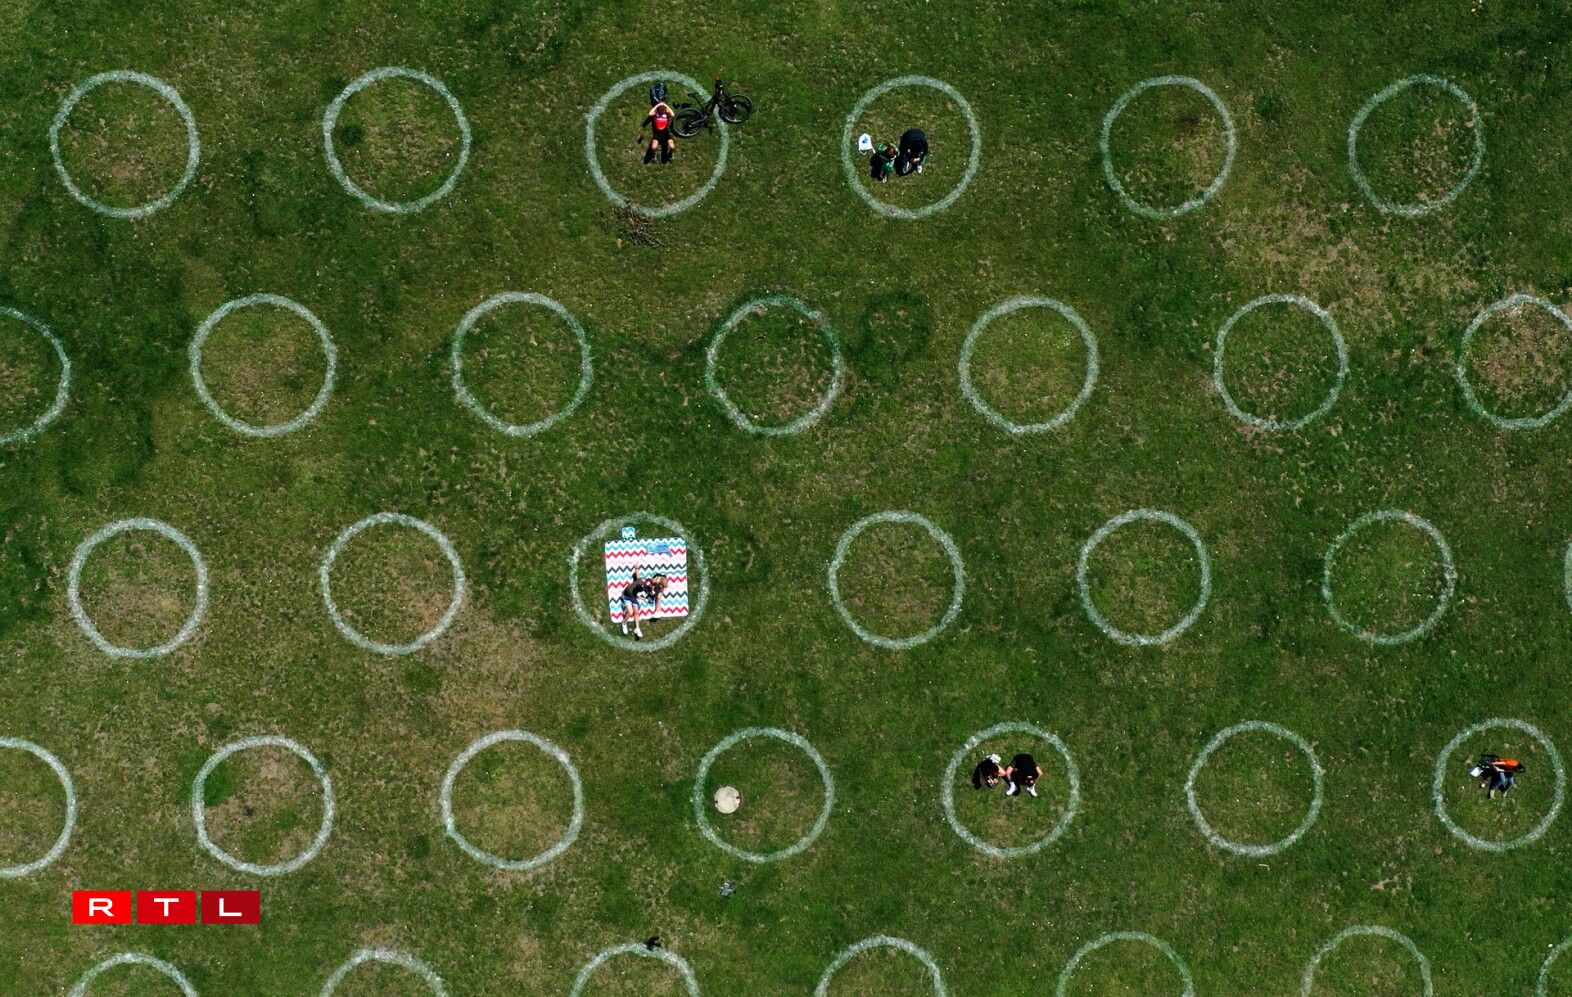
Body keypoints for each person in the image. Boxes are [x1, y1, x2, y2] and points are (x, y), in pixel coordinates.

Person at [618, 570, 666, 641]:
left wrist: (637, 568)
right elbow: (635, 597)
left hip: (633, 597)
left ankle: (637, 628)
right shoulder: (631, 591)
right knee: (631, 612)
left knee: (636, 612)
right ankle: (624, 623)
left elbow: (638, 575)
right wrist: (643, 598)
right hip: (627, 597)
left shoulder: (641, 581)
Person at [644, 99, 676, 165]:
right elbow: (650, 113)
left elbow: (673, 115)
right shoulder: (656, 113)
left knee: (672, 147)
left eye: (663, 108)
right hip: (657, 134)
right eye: (660, 108)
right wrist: (658, 105)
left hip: (666, 133)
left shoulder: (666, 113)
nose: (662, 109)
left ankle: (671, 154)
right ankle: (653, 155)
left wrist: (666, 105)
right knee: (653, 147)